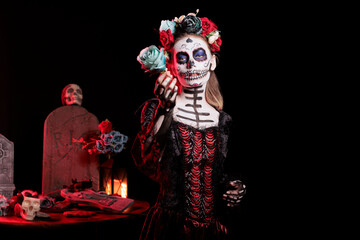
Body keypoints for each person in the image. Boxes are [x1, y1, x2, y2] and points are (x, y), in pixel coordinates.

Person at [132, 11, 246, 240]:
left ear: (212, 61)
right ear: (172, 64)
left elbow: (213, 174)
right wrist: (165, 110)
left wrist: (233, 188)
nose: (192, 63)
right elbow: (147, 164)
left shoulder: (223, 121)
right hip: (169, 230)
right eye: (182, 58)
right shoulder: (157, 109)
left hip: (212, 231)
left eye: (199, 54)